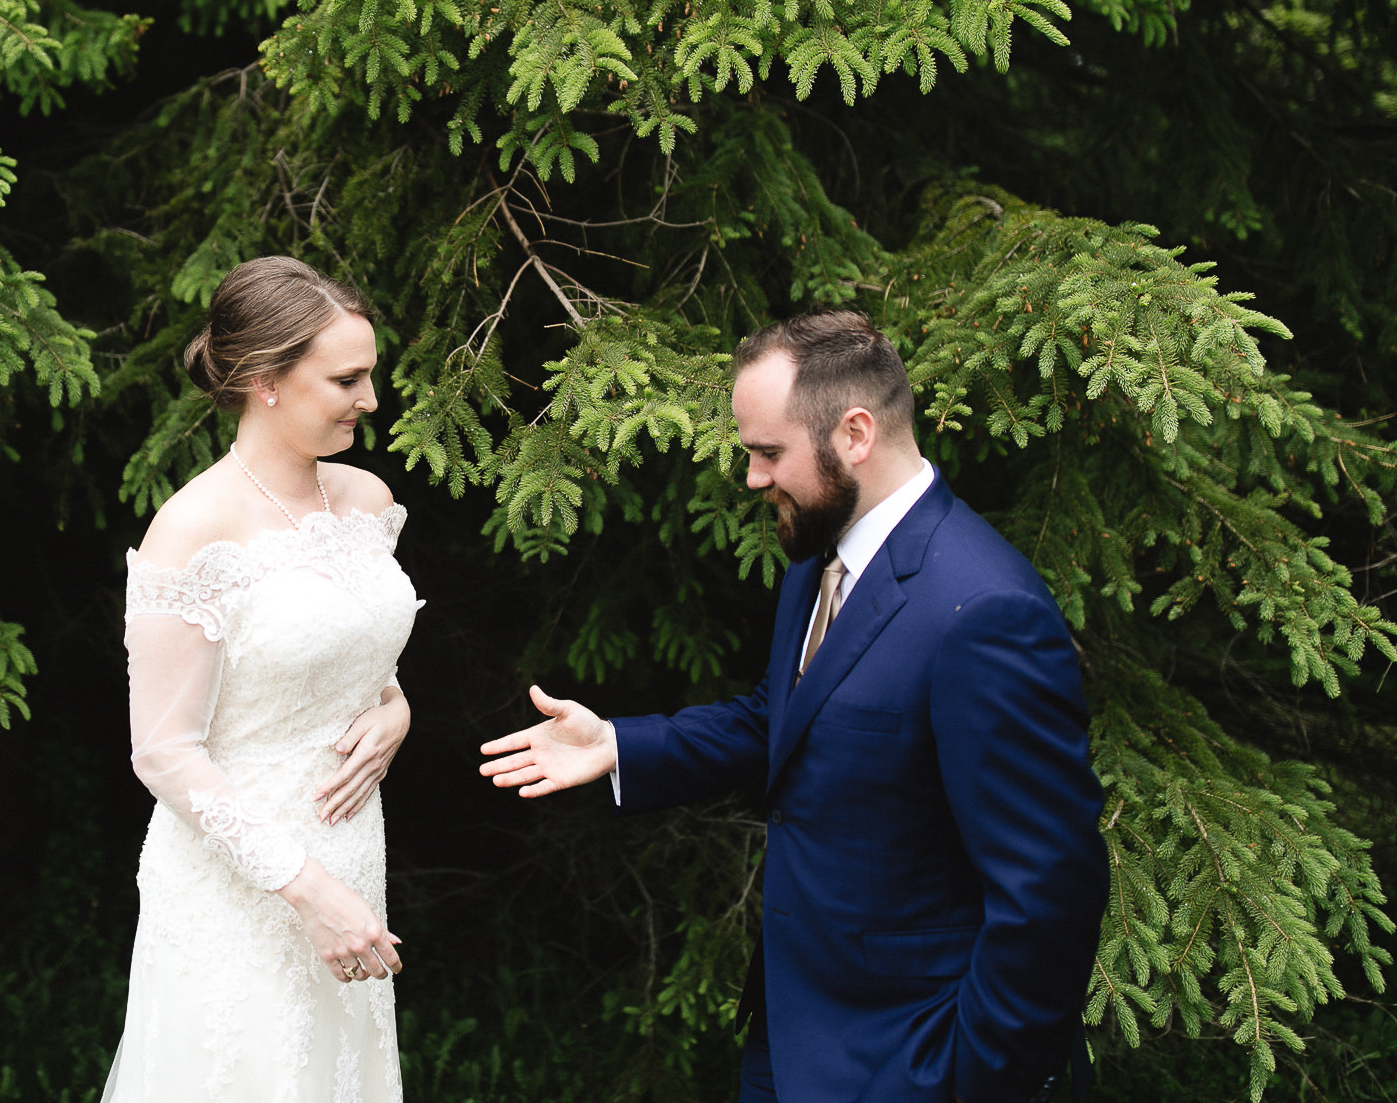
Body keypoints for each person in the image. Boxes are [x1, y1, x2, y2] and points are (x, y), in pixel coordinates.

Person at [478, 309, 1108, 1103]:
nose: (751, 477)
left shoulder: (985, 610)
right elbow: (786, 720)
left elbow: (1050, 892)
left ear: (854, 433)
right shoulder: (821, 558)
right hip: (792, 1045)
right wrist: (618, 745)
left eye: (768, 452)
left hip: (912, 1063)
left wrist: (966, 1078)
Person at [101, 256, 421, 1103]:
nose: (371, 399)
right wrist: (312, 891)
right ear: (264, 380)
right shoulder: (194, 530)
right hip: (242, 888)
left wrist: (397, 708)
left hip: (354, 857)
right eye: (347, 378)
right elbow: (164, 751)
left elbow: (353, 656)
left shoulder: (365, 499)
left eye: (370, 375)